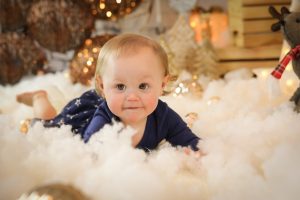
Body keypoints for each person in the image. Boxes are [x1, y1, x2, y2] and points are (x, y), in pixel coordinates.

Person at [16, 33, 200, 152]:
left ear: (162, 84)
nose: (132, 97)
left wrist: (193, 153)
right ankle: (39, 97)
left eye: (143, 86)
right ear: (103, 86)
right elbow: (92, 153)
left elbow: (192, 142)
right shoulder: (104, 117)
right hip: (81, 120)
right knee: (46, 123)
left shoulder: (163, 116)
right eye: (120, 87)